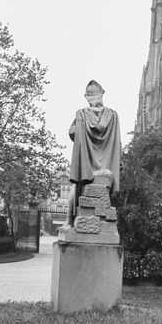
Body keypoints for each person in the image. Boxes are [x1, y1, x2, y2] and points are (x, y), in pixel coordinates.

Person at [63, 80, 121, 228]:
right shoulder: (112, 115)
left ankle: (69, 222)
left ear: (86, 97)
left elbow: (72, 132)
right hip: (106, 169)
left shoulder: (82, 114)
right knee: (103, 196)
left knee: (75, 188)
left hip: (87, 166)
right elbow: (117, 142)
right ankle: (104, 225)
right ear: (102, 94)